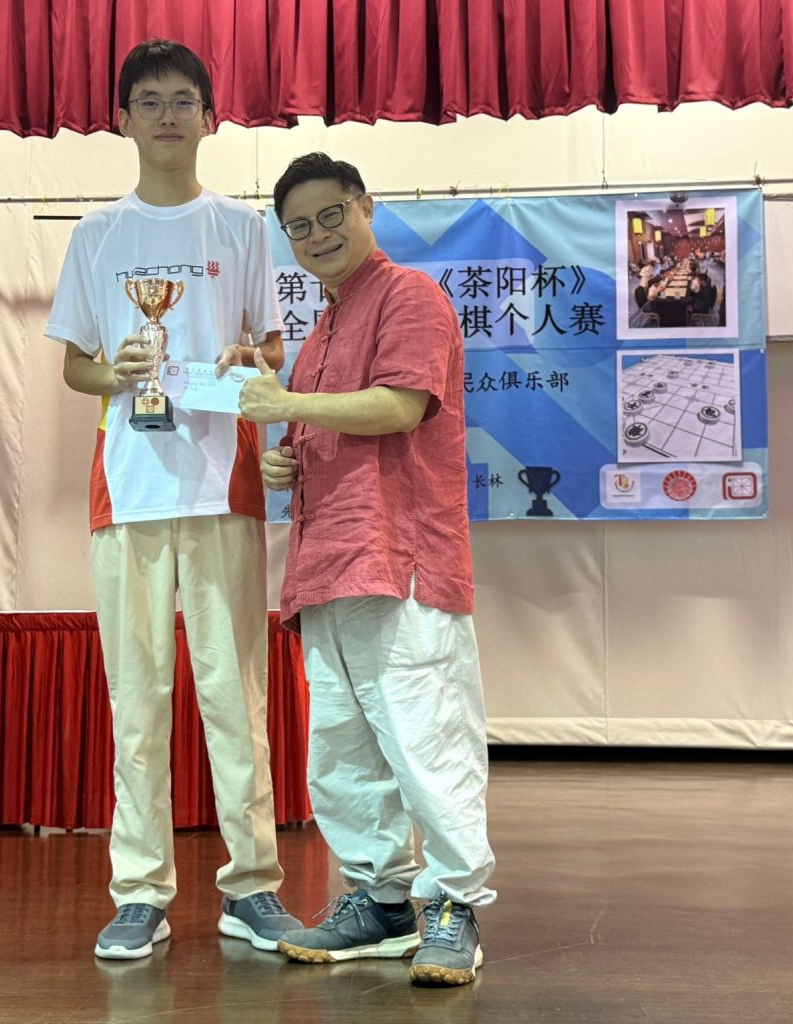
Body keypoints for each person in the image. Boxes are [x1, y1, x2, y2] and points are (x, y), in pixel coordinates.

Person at [44, 38, 301, 960]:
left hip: (223, 484)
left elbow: (271, 349)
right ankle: (140, 893)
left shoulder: (242, 228)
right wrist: (115, 372)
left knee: (236, 697)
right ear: (122, 118)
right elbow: (76, 366)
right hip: (128, 489)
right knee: (139, 700)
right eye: (147, 100)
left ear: (208, 116)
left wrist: (248, 358)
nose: (165, 115)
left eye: (181, 100)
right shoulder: (97, 235)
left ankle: (252, 886)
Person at [238, 152, 496, 987]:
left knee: (427, 740)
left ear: (365, 208)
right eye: (298, 227)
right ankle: (380, 901)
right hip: (326, 564)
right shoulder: (319, 331)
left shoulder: (409, 296)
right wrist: (284, 459)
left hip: (400, 557)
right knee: (342, 755)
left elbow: (399, 406)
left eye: (329, 215)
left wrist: (286, 405)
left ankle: (453, 904)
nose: (317, 235)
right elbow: (318, 431)